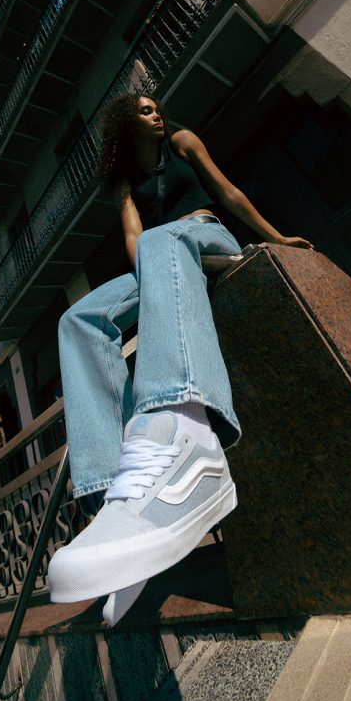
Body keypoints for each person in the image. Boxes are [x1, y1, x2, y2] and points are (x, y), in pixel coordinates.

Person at [47, 94, 312, 624]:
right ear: (126, 125)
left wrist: (274, 237)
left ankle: (187, 437)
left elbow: (228, 191)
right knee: (78, 320)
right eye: (144, 111)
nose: (157, 114)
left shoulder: (183, 143)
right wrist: (155, 282)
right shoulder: (123, 184)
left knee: (160, 241)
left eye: (156, 108)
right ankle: (117, 501)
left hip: (207, 236)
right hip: (162, 258)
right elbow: (133, 239)